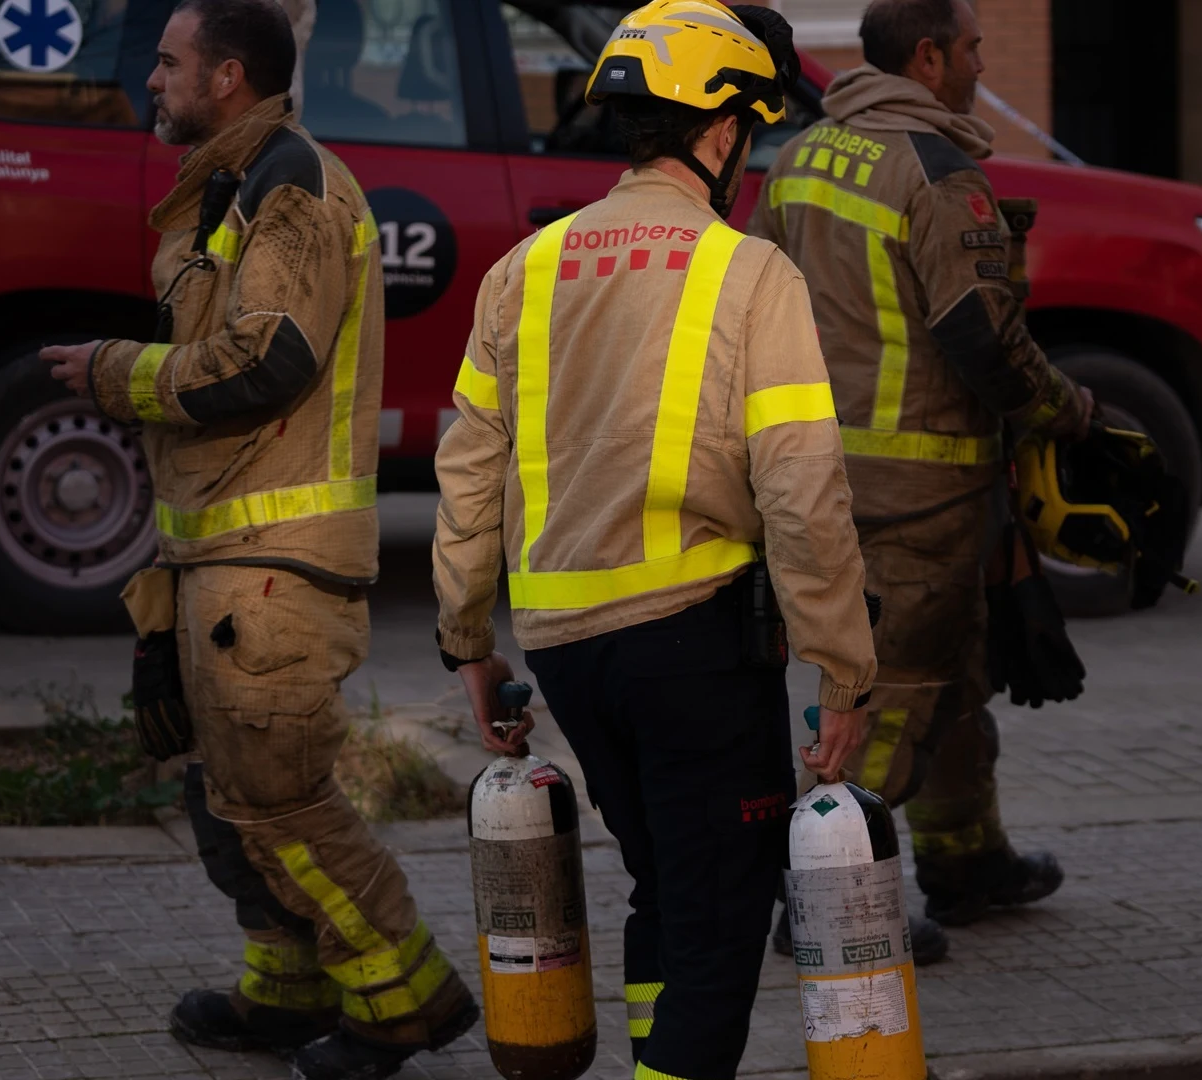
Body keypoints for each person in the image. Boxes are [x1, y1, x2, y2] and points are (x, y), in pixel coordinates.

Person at [430, 4, 877, 1077]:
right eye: (749, 133)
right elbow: (804, 492)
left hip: (567, 654)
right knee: (720, 921)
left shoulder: (521, 272)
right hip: (695, 650)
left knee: (664, 891)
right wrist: (847, 667)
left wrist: (467, 644)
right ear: (718, 133)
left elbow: (468, 473)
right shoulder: (748, 273)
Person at [41, 2, 478, 1077]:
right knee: (222, 800)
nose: (152, 78)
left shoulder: (293, 190)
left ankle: (402, 998)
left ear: (228, 77)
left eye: (170, 62)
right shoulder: (233, 186)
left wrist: (118, 374)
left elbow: (268, 360)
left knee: (283, 803)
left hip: (275, 569)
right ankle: (284, 989)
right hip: (217, 558)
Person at [748, 0, 1091, 947]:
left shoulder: (801, 158)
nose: (983, 64)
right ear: (930, 57)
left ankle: (967, 860)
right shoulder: (938, 173)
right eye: (974, 48)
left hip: (823, 476)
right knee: (896, 692)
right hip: (920, 488)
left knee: (954, 673)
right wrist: (1072, 412)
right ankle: (825, 889)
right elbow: (983, 334)